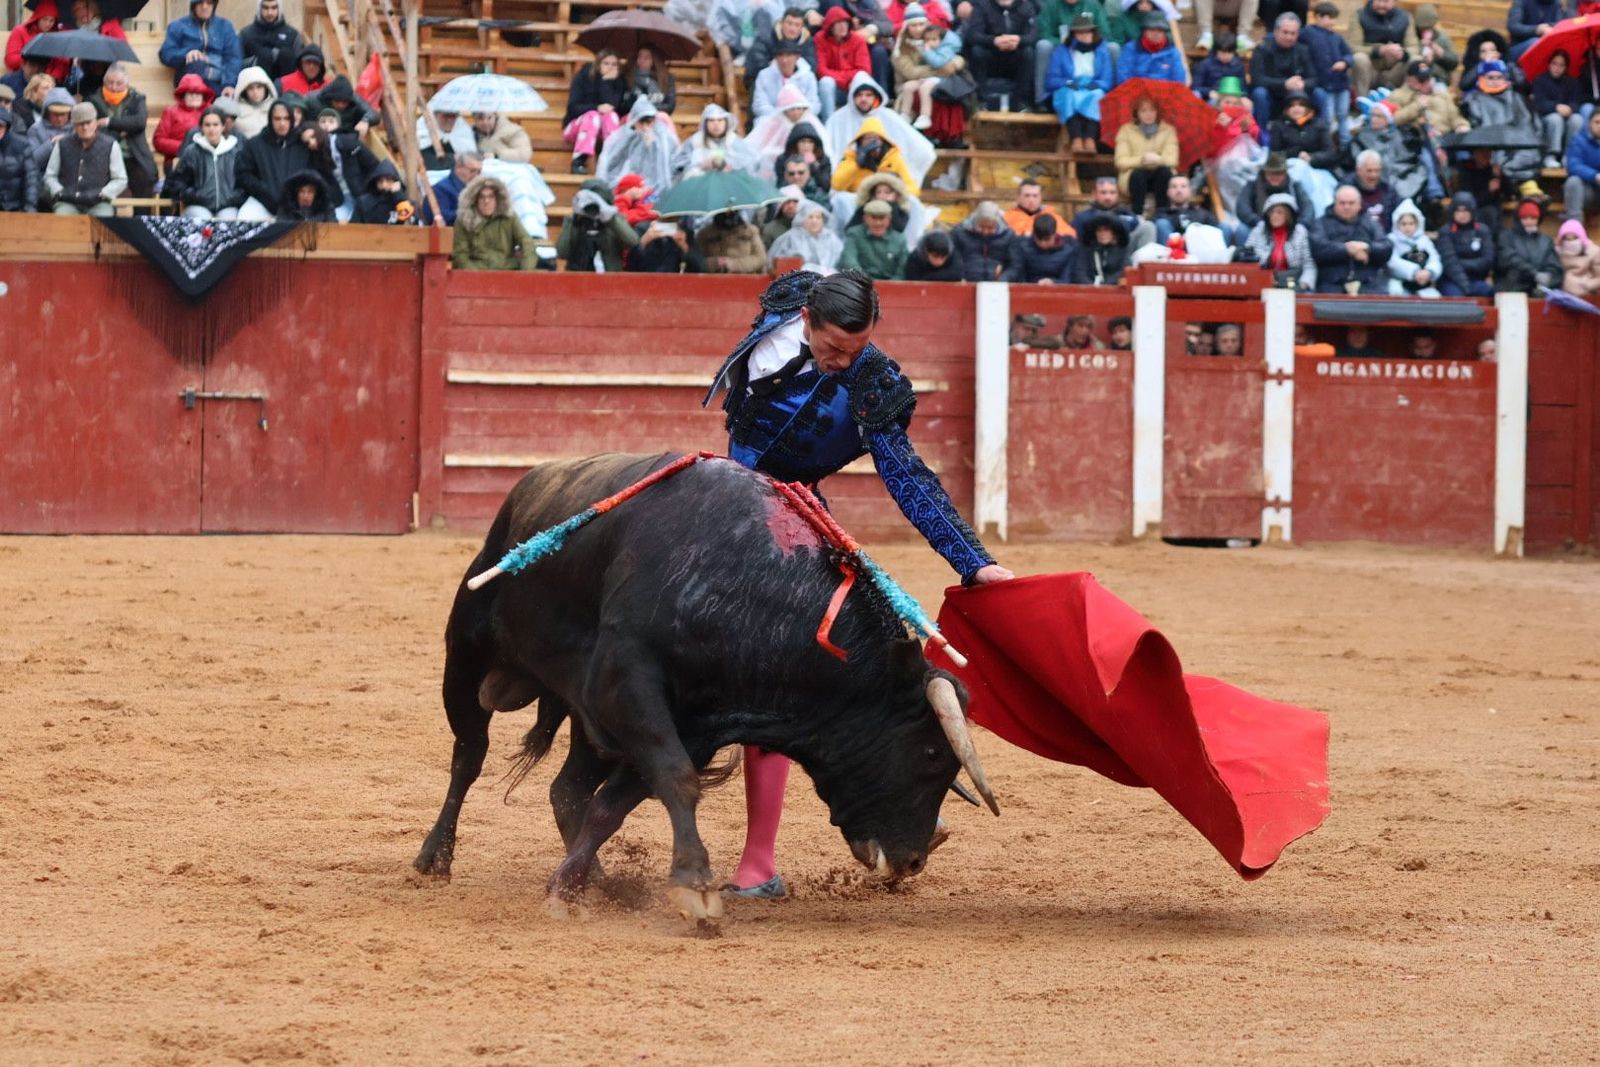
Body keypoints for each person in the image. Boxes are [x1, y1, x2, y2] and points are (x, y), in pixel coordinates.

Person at [704, 268, 1011, 897]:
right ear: (807, 320)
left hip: (791, 519)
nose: (844, 363)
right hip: (725, 499)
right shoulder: (789, 300)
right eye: (832, 350)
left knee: (803, 666)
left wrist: (972, 561)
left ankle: (767, 862)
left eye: (856, 349)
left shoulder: (872, 381)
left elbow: (907, 477)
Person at [1463, 60, 1542, 200]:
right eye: (1490, 77)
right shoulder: (1473, 99)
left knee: (1524, 158)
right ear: (1482, 78)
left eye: (1499, 77)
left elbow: (1527, 123)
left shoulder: (1517, 98)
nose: (1495, 81)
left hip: (1516, 145)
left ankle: (1530, 193)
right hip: (1489, 148)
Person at [43, 101, 125, 216]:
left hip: (99, 203)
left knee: (103, 222)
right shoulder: (62, 144)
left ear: (95, 123)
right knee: (61, 221)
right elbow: (50, 175)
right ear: (74, 125)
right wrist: (59, 191)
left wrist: (104, 193)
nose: (85, 127)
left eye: (88, 122)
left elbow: (120, 179)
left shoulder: (111, 145)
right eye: (80, 124)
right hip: (67, 202)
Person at [87, 63, 156, 199]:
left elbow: (139, 122)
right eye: (110, 83)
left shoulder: (137, 98)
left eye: (119, 83)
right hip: (105, 154)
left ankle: (140, 218)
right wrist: (124, 128)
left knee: (145, 179)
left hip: (133, 154)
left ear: (126, 84)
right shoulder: (93, 100)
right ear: (104, 82)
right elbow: (93, 128)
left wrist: (109, 122)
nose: (114, 87)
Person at [1046, 13, 1113, 151]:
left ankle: (1090, 139)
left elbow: (1107, 80)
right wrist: (1067, 82)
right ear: (1073, 34)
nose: (1084, 35)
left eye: (1087, 32)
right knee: (1068, 96)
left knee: (1097, 95)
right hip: (1069, 85)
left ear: (1093, 33)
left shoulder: (1102, 51)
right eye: (1080, 32)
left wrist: (1097, 84)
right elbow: (1052, 79)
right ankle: (1076, 138)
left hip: (1092, 86)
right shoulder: (1062, 51)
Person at [1310, 183, 1392, 293]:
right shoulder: (1320, 223)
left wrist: (1367, 248)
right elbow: (1318, 248)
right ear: (1334, 203)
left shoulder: (1370, 223)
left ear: (1359, 205)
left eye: (1351, 203)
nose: (1346, 207)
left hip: (1369, 284)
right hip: (1332, 284)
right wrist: (1348, 250)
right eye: (1342, 203)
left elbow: (1386, 247)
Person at [164, 107, 243, 219]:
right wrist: (195, 195)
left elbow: (244, 182)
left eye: (216, 125)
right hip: (198, 206)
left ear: (223, 127)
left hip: (228, 205)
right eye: (207, 125)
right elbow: (177, 183)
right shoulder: (192, 152)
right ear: (201, 127)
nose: (212, 129)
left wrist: (233, 197)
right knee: (203, 220)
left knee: (229, 220)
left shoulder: (235, 152)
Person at [1034, 0, 1115, 109]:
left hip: (1090, 46)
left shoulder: (1093, 5)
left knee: (1113, 48)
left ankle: (1113, 99)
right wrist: (1068, 44)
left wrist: (1087, 40)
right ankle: (1041, 100)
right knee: (1043, 45)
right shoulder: (1051, 5)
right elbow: (1044, 32)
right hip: (1060, 47)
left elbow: (1105, 33)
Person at [236, 99, 308, 218]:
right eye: (277, 119)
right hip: (262, 201)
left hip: (297, 204)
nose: (282, 123)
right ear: (270, 120)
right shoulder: (255, 144)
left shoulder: (303, 144)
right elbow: (244, 175)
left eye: (286, 118)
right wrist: (265, 193)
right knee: (245, 217)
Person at [1250, 14, 1322, 133]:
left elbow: (1314, 78)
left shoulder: (1303, 50)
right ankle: (1262, 135)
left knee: (1319, 93)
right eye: (1285, 32)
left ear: (1298, 34)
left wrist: (1303, 84)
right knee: (1259, 93)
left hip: (1297, 98)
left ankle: (1319, 133)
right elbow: (1257, 79)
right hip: (1271, 96)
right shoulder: (1262, 49)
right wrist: (1284, 84)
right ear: (1276, 31)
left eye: (1293, 33)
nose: (1289, 37)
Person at [563, 50, 630, 175]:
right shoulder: (583, 77)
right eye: (606, 63)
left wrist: (606, 82)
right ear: (598, 64)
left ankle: (613, 159)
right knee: (593, 116)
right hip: (577, 126)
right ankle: (579, 160)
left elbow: (615, 106)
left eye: (614, 64)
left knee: (611, 116)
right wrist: (596, 107)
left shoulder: (619, 81)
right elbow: (573, 107)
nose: (610, 67)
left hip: (604, 128)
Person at [159, 0, 242, 98]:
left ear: (214, 5)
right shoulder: (178, 26)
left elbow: (233, 58)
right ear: (193, 5)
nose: (205, 7)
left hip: (218, 80)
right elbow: (166, 53)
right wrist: (186, 54)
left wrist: (229, 84)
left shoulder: (225, 26)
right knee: (197, 61)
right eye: (200, 3)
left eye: (209, 3)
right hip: (189, 78)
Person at [966, 0, 1038, 113]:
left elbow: (1033, 35)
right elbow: (973, 35)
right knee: (977, 51)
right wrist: (994, 41)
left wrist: (1019, 40)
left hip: (1015, 54)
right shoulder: (982, 5)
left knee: (1028, 53)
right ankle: (982, 101)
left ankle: (1021, 102)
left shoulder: (1026, 6)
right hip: (991, 54)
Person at [597, 97, 679, 192]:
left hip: (656, 192)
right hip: (630, 189)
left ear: (654, 121)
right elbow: (611, 163)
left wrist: (653, 146)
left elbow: (669, 167)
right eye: (641, 122)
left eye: (648, 122)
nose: (645, 127)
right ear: (634, 121)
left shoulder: (665, 139)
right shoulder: (624, 137)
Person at [454, 175, 535, 270]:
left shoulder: (509, 217)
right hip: (475, 274)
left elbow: (527, 243)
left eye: (491, 197)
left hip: (506, 272)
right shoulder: (464, 220)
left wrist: (525, 273)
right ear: (474, 200)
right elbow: (460, 256)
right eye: (481, 197)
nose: (486, 201)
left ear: (498, 199)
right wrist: (476, 277)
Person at [1114, 95, 1177, 214]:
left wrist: (1158, 159)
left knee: (1165, 172)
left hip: (1159, 175)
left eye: (1152, 110)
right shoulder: (1125, 130)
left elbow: (1173, 160)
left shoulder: (1168, 130)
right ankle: (1136, 214)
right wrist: (1142, 159)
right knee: (1138, 174)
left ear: (1158, 112)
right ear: (1136, 113)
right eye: (1143, 110)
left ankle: (1162, 214)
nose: (1148, 114)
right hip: (1133, 177)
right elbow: (1120, 161)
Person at [1299, 4, 1353, 138]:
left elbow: (1349, 54)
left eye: (1333, 18)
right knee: (1328, 117)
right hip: (1324, 82)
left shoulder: (1337, 37)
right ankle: (1327, 142)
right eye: (1326, 17)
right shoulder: (1308, 33)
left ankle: (1345, 142)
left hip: (1341, 82)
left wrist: (1345, 62)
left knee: (1343, 114)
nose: (1330, 21)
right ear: (1317, 17)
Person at [1244, 192, 1317, 289]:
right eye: (1271, 212)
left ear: (1288, 215)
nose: (1274, 216)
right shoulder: (1258, 230)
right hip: (1262, 283)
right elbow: (1246, 258)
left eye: (1279, 212)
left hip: (1292, 283)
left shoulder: (1300, 232)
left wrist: (1303, 284)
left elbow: (1309, 264)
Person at [743, 6, 818, 94]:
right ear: (782, 23)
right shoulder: (766, 38)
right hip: (765, 83)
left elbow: (811, 66)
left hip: (796, 85)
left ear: (802, 28)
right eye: (789, 23)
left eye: (797, 25)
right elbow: (757, 65)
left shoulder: (807, 42)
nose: (792, 28)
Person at [1236, 153, 1314, 236]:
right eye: (1271, 173)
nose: (1275, 176)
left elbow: (1307, 207)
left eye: (1279, 173)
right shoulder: (1252, 186)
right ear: (1264, 172)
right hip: (1259, 228)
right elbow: (1242, 208)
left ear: (1285, 173)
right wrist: (1258, 222)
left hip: (1290, 230)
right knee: (1242, 230)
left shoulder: (1294, 186)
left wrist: (1300, 225)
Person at [815, 5, 873, 115]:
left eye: (845, 22)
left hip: (853, 87)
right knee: (825, 82)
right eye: (838, 23)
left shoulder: (858, 40)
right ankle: (828, 124)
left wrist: (847, 80)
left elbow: (864, 70)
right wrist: (845, 80)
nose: (842, 26)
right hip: (835, 88)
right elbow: (821, 70)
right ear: (830, 26)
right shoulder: (820, 39)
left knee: (862, 78)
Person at [674, 103, 758, 179]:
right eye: (711, 120)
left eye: (720, 120)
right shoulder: (695, 141)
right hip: (701, 183)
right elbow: (679, 165)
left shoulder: (733, 141)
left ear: (726, 122)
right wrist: (701, 164)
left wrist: (728, 165)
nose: (716, 124)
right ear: (705, 123)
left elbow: (751, 163)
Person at [1496, 197, 1562, 294]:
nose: (1529, 221)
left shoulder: (1546, 241)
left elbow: (1554, 265)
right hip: (1512, 289)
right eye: (1525, 218)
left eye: (1533, 218)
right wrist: (1534, 274)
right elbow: (1509, 259)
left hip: (1539, 290)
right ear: (1519, 219)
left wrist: (1548, 279)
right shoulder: (1506, 237)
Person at [1350, 0, 1412, 102]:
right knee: (1359, 58)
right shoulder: (1359, 16)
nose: (1382, 5)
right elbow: (1353, 47)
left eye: (1386, 1)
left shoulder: (1406, 17)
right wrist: (1379, 50)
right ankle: (1362, 103)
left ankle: (1402, 103)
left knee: (1415, 60)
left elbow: (1413, 47)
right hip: (1370, 70)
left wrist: (1402, 53)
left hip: (1394, 69)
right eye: (1378, 1)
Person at [1071, 174, 1155, 248]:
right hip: (1093, 256)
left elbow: (1134, 224)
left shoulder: (1126, 214)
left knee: (1148, 226)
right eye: (1103, 193)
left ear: (1118, 195)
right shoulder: (1082, 218)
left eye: (1112, 193)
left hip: (1124, 255)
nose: (1108, 197)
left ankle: (1146, 264)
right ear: (1094, 194)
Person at [1437, 191, 1496, 296]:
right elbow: (1450, 263)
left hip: (1476, 280)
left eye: (1465, 211)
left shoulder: (1483, 231)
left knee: (1493, 293)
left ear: (1472, 211)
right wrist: (1466, 286)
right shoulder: (1446, 232)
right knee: (1457, 296)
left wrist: (1463, 263)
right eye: (1458, 211)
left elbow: (1488, 260)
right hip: (1451, 280)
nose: (1462, 215)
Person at [1534, 50, 1584, 172]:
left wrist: (1570, 108)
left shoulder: (1572, 82)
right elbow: (1539, 104)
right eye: (1554, 64)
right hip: (1547, 119)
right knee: (1555, 119)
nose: (1557, 68)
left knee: (1578, 119)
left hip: (1567, 116)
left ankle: (1569, 155)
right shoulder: (1540, 80)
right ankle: (1551, 155)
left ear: (1565, 67)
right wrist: (1556, 107)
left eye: (1561, 65)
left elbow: (1577, 102)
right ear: (1549, 64)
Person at [152, 73, 214, 171]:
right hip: (177, 161)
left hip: (207, 161)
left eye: (197, 93)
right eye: (190, 93)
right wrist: (186, 148)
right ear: (183, 95)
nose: (194, 96)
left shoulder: (211, 112)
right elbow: (158, 141)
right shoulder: (171, 112)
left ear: (203, 95)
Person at [752, 38, 822, 120]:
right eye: (780, 55)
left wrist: (800, 114)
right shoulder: (764, 76)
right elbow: (759, 105)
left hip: (801, 118)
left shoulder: (808, 76)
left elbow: (815, 104)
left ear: (797, 57)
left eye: (788, 55)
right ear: (775, 58)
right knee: (762, 121)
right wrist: (782, 115)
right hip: (772, 118)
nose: (784, 60)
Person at [1386, 197, 1442, 296]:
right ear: (1397, 224)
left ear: (1418, 224)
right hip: (1399, 282)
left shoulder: (1424, 240)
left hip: (1423, 282)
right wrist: (1414, 272)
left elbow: (1435, 258)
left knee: (1434, 297)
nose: (1407, 227)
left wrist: (1430, 271)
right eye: (1403, 224)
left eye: (1411, 224)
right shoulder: (1391, 240)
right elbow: (1392, 261)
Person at [839, 197, 908, 277]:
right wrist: (865, 282)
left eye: (882, 218)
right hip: (860, 283)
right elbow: (849, 262)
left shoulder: (899, 239)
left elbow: (902, 270)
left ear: (889, 219)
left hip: (892, 286)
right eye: (874, 218)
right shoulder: (854, 234)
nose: (878, 223)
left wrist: (892, 286)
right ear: (865, 218)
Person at [767, 197, 842, 269]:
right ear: (801, 220)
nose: (814, 221)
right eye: (810, 217)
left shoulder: (831, 238)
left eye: (818, 217)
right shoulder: (790, 237)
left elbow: (840, 260)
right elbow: (775, 261)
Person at [239, 0, 303, 83]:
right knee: (265, 55)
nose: (270, 13)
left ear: (279, 8)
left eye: (274, 8)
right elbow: (236, 64)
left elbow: (302, 65)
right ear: (259, 8)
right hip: (255, 88)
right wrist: (257, 61)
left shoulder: (293, 35)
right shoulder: (246, 34)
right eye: (265, 8)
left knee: (286, 55)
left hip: (287, 90)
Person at [5, 2, 68, 83]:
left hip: (49, 81)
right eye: (45, 19)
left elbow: (62, 62)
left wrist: (53, 78)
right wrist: (34, 56)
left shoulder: (57, 35)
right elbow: (10, 60)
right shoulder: (20, 31)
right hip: (23, 78)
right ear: (37, 18)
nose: (48, 24)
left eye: (51, 20)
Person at [1116, 11, 1185, 86]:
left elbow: (1179, 81)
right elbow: (1124, 79)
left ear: (1164, 33)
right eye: (1151, 29)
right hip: (1136, 93)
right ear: (1144, 31)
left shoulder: (1173, 52)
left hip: (1165, 94)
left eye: (1160, 30)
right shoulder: (1130, 49)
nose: (1155, 33)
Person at [952, 198, 1015, 279]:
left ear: (997, 223)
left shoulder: (1008, 236)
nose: (985, 232)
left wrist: (1004, 276)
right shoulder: (959, 233)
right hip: (966, 282)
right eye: (981, 227)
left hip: (998, 283)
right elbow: (952, 260)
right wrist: (959, 276)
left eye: (990, 228)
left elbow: (1015, 264)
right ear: (975, 221)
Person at [1006, 212, 1076, 282]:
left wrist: (1053, 282)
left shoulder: (1068, 250)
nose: (1042, 243)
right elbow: (1020, 275)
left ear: (1055, 234)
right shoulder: (1023, 247)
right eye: (1038, 239)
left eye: (1047, 239)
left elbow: (1067, 279)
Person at [1154, 174, 1221, 245]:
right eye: (1174, 187)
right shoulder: (1160, 214)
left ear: (1190, 191)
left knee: (1224, 228)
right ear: (1168, 192)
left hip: (1199, 250)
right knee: (1161, 224)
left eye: (1183, 186)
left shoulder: (1203, 213)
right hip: (1171, 251)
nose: (1179, 190)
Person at [697, 208, 769, 272]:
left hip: (745, 280)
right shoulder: (706, 233)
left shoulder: (750, 231)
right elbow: (697, 260)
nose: (728, 212)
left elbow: (761, 258)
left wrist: (734, 264)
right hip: (713, 280)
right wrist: (714, 263)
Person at [1069, 212, 1130, 284]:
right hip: (1090, 290)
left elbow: (1124, 271)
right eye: (1099, 230)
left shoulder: (1122, 249)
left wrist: (1106, 286)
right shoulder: (1086, 249)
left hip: (1114, 290)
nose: (1102, 234)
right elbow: (1079, 272)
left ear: (1114, 233)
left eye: (1106, 230)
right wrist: (1092, 288)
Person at [1350, 148, 1400, 232]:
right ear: (1358, 170)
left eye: (1377, 171)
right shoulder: (1346, 191)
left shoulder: (1388, 189)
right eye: (1369, 171)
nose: (1373, 175)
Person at [0, 107, 39, 212]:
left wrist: (30, 208)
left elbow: (31, 179)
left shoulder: (22, 145)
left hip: (16, 207)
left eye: (0, 126)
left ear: (7, 127)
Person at [1508, 0, 1573, 62]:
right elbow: (1513, 26)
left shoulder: (1556, 3)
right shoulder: (1521, 1)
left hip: (1546, 45)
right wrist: (1537, 29)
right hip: (1519, 47)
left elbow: (1560, 24)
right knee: (1535, 42)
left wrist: (1548, 28)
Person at [1192, 31, 1246, 105]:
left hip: (1233, 98)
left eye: (1229, 53)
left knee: (1247, 104)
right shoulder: (1205, 64)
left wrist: (1243, 97)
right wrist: (1209, 92)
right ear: (1216, 52)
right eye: (1222, 53)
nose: (1226, 56)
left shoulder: (1238, 65)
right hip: (1211, 98)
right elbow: (1195, 87)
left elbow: (1242, 87)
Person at [355, 159, 415, 224]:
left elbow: (412, 224)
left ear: (396, 181)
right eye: (380, 181)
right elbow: (352, 227)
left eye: (388, 180)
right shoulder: (364, 203)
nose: (384, 185)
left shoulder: (407, 203)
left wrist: (399, 197)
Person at [1003, 179, 1070, 237]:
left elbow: (1069, 236)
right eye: (1027, 195)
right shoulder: (1007, 218)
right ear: (1018, 197)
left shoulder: (1052, 217)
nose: (1031, 200)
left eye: (1035, 196)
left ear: (1040, 198)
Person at [1565, 110, 1600, 220]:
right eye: (1597, 122)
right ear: (1589, 123)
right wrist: (1595, 176)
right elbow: (1573, 165)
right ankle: (1575, 230)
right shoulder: (1578, 141)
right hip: (1587, 191)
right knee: (1573, 181)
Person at [1555, 219, 1600, 298]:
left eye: (1574, 238)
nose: (1570, 242)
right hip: (1563, 295)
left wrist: (1588, 285)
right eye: (1567, 239)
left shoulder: (1594, 252)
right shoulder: (1558, 251)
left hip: (1586, 295)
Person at [630, 45, 676, 117]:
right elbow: (624, 105)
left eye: (647, 58)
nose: (642, 60)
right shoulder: (629, 77)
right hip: (634, 116)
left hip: (658, 116)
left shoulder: (666, 78)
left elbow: (670, 106)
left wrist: (649, 109)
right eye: (640, 56)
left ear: (654, 61)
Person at [233, 66, 276, 140]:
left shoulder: (276, 109)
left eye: (259, 87)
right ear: (243, 90)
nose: (255, 92)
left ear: (266, 87)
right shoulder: (234, 112)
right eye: (250, 88)